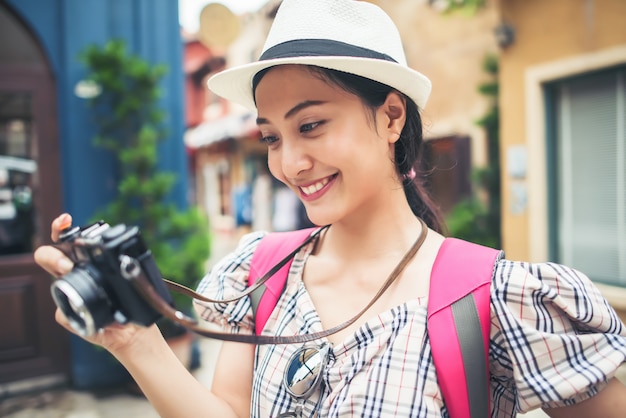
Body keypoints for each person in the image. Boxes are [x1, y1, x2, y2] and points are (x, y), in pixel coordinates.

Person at [34, 0, 626, 417]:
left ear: (392, 116)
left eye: (311, 125)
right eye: (271, 137)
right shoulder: (258, 274)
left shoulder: (495, 298)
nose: (289, 163)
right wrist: (132, 341)